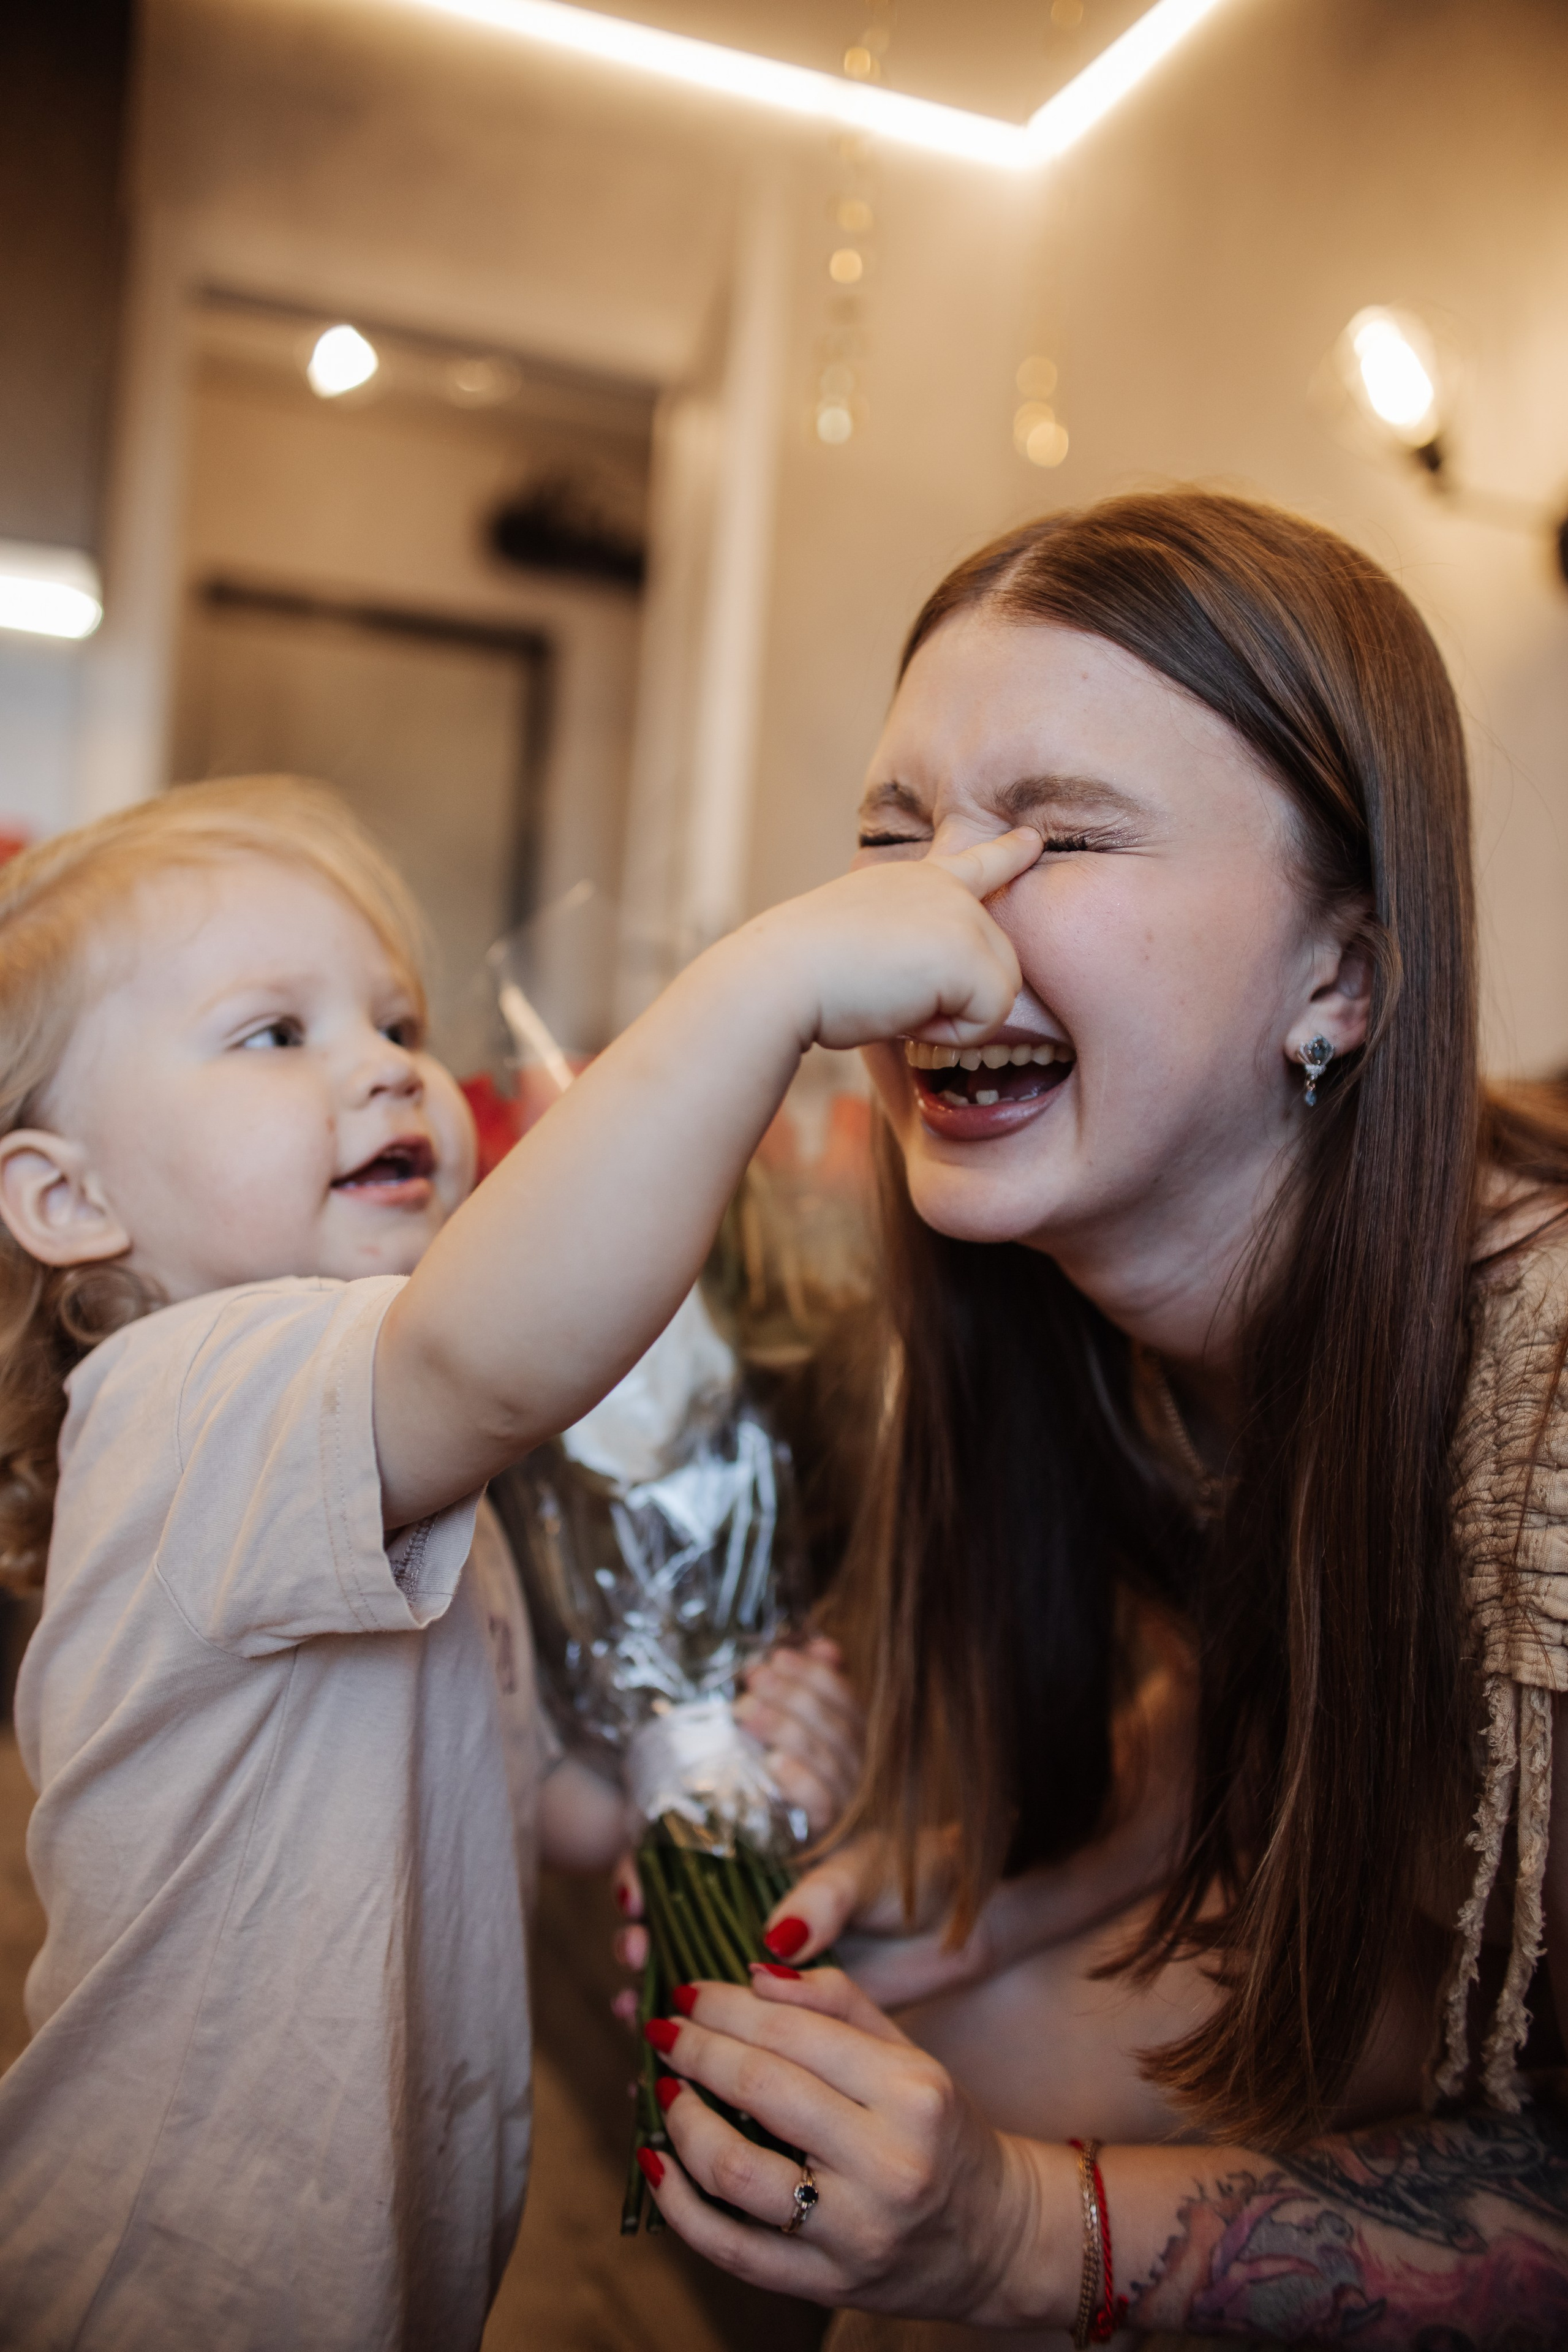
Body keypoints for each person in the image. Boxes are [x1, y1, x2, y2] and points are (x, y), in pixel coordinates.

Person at [623, 491, 1568, 2345]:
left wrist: (1021, 2237)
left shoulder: (1545, 1454)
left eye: (1060, 833)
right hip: (1394, 1938)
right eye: (895, 837)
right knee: (922, 2055)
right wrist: (963, 1891)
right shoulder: (1089, 1298)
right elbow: (1273, 1676)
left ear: (1344, 977)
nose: (926, 917)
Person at [0, 775, 1034, 2351]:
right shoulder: (185, 1409)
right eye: (274, 1034)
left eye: (397, 1021)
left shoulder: (391, 1481)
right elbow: (489, 1351)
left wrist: (710, 1764)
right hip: (165, 2288)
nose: (387, 1071)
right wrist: (771, 985)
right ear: (66, 1198)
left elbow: (534, 1801)